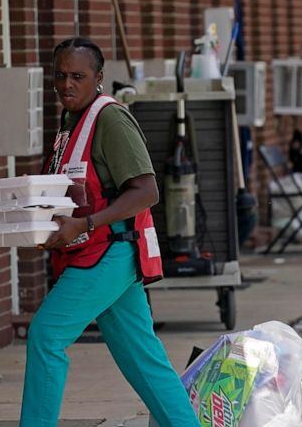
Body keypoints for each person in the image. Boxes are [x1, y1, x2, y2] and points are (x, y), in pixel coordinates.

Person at [19, 37, 199, 427]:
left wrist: (83, 225)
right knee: (144, 361)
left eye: (78, 76)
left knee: (46, 336)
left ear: (99, 78)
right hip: (96, 252)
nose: (67, 84)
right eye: (61, 75)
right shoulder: (71, 121)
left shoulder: (111, 119)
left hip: (110, 252)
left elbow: (146, 191)